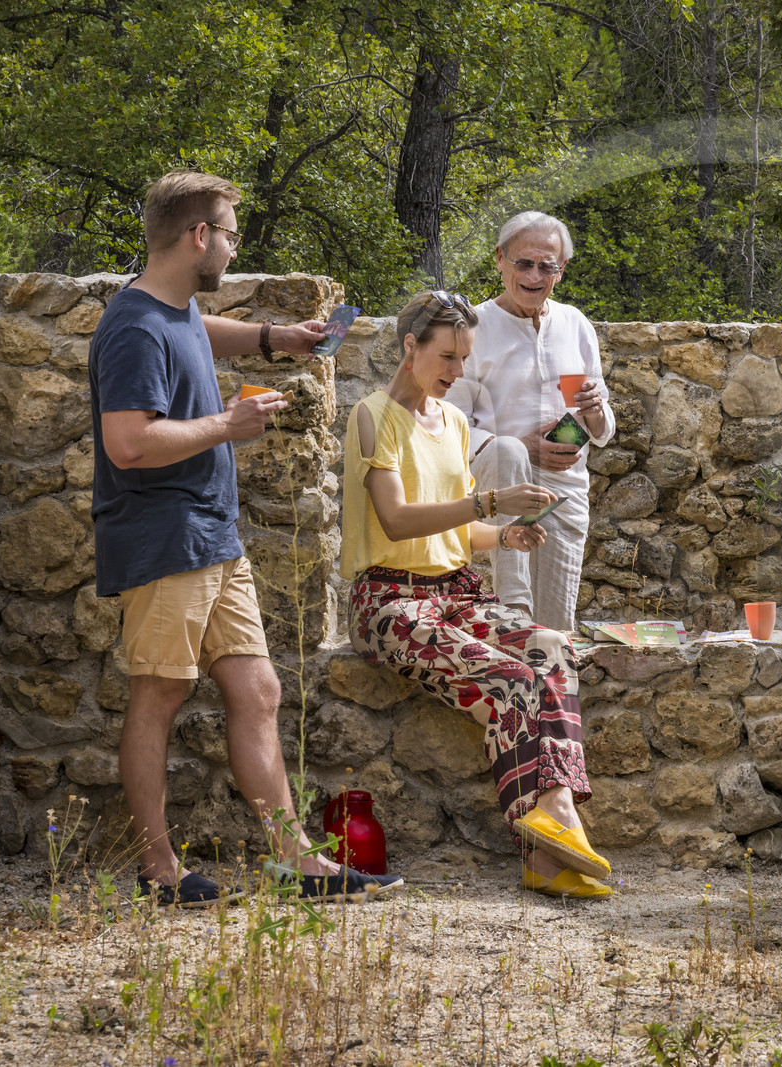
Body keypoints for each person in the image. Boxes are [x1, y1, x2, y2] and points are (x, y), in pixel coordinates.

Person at [91, 170, 402, 906]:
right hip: (165, 537)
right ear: (199, 236)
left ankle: (297, 864)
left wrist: (274, 338)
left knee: (258, 689)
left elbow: (198, 332)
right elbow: (128, 443)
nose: (235, 249)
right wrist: (229, 425)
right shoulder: (133, 328)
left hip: (212, 535)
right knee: (161, 692)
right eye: (231, 235)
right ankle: (157, 871)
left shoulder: (172, 309)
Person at [344, 289, 614, 899]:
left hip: (455, 594)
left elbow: (457, 532)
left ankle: (552, 831)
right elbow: (396, 521)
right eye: (448, 356)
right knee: (512, 679)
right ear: (409, 346)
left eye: (465, 358)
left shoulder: (455, 422)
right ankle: (550, 842)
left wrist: (505, 534)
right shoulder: (373, 415)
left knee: (552, 647)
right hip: (389, 604)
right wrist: (491, 502)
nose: (458, 370)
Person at [443, 211, 614, 631]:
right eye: (523, 263)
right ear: (500, 259)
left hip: (565, 490)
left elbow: (603, 432)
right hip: (494, 482)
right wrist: (522, 445)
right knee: (508, 450)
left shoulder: (575, 324)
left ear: (562, 269)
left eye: (546, 266)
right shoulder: (473, 327)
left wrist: (595, 411)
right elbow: (449, 423)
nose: (534, 276)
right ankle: (514, 603)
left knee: (555, 630)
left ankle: (545, 666)